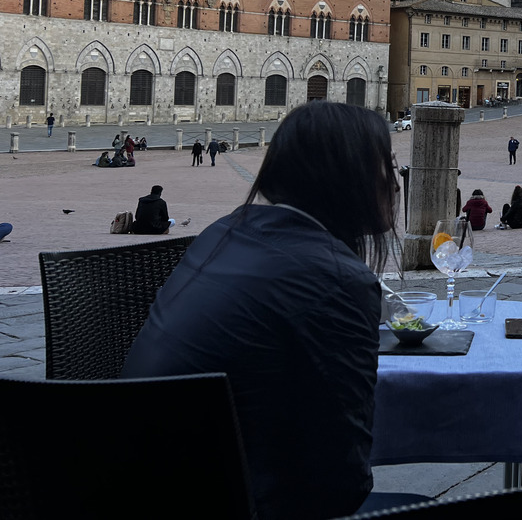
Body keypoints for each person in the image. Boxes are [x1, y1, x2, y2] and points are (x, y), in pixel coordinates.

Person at [122, 102, 401, 520]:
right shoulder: (337, 279)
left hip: (134, 484)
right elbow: (341, 484)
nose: (397, 181)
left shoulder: (225, 230)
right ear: (347, 174)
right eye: (389, 164)